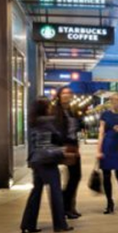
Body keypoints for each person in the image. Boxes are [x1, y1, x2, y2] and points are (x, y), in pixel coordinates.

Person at [20, 99, 74, 233]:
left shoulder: (34, 122)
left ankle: (28, 224)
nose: (51, 109)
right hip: (47, 161)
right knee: (56, 192)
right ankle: (60, 224)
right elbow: (53, 141)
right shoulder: (48, 122)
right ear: (44, 109)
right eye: (49, 106)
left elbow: (37, 144)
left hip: (36, 161)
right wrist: (62, 151)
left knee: (36, 192)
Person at [52, 86, 82, 219]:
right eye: (64, 93)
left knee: (76, 176)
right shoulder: (54, 111)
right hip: (62, 147)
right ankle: (65, 206)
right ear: (59, 95)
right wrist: (60, 147)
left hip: (73, 146)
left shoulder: (72, 111)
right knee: (72, 177)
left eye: (69, 93)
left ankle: (68, 206)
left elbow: (75, 129)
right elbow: (54, 131)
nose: (66, 95)